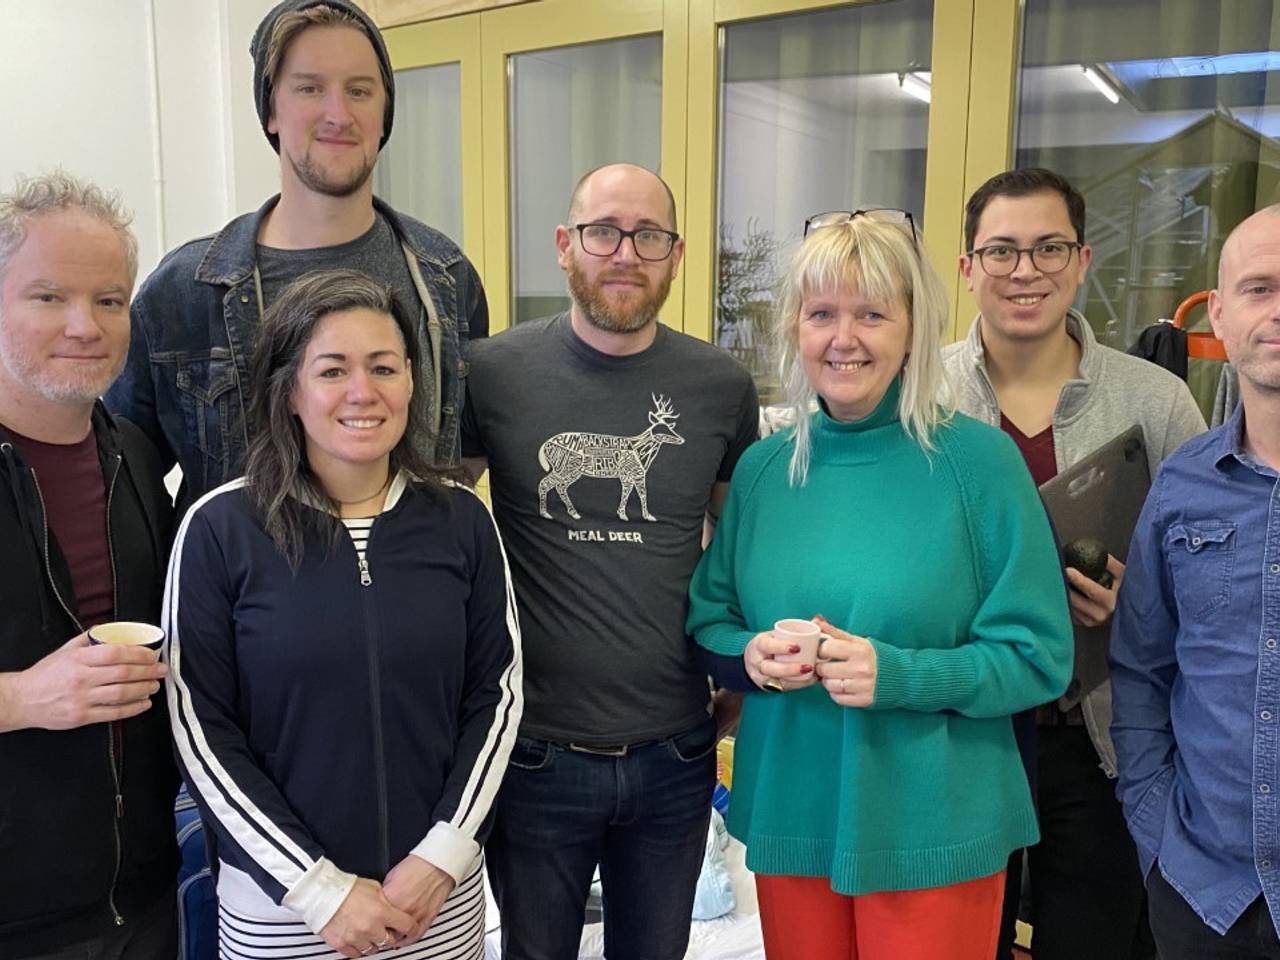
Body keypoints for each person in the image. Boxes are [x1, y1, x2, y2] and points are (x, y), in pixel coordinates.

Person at [686, 209, 1074, 960]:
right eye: (822, 313)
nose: (844, 338)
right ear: (795, 328)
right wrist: (752, 656)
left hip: (936, 821)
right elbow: (711, 618)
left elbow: (1038, 655)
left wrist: (897, 674)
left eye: (871, 314)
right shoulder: (767, 470)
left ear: (912, 330)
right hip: (794, 810)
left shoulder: (980, 466)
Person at [164, 269, 520, 959]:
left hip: (434, 905)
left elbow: (497, 698)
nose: (363, 392)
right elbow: (199, 728)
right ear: (290, 390)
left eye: (383, 367)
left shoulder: (460, 520)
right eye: (332, 370)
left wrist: (442, 855)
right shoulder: (221, 529)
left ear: (412, 380)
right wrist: (319, 890)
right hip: (285, 914)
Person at [462, 162, 759, 960]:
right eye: (603, 231)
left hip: (677, 753)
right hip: (534, 753)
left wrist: (734, 673)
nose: (625, 252)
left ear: (676, 253)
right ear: (565, 246)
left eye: (648, 235)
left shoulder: (720, 387)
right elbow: (440, 533)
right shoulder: (490, 373)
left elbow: (739, 551)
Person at [945, 167, 1206, 960]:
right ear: (967, 269)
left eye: (1049, 248)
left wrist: (1138, 607)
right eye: (1002, 251)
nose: (1026, 271)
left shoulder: (1156, 403)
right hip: (958, 737)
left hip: (1099, 743)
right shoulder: (917, 399)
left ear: (1083, 260)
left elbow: (1212, 585)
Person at [107, 0, 487, 516]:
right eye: (309, 88)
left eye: (359, 90)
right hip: (238, 596)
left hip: (410, 591)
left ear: (384, 114)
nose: (338, 113)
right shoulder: (181, 293)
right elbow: (123, 479)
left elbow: (464, 455)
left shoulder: (447, 278)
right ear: (270, 112)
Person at [0, 172, 177, 958]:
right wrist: (19, 698)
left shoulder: (134, 458)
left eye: (109, 300)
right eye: (47, 297)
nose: (85, 325)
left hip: (139, 897)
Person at [1111, 202, 1280, 958]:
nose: (1277, 312)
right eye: (1259, 288)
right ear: (1219, 310)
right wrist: (1156, 833)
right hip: (1206, 894)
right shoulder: (1182, 483)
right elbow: (1142, 668)